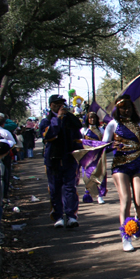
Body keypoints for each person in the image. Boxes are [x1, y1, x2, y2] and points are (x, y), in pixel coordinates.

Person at [102, 94, 140, 252]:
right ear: (118, 109)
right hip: (120, 166)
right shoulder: (112, 125)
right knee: (126, 199)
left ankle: (137, 221)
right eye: (123, 107)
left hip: (138, 164)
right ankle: (126, 236)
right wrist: (111, 145)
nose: (126, 110)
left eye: (129, 107)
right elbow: (102, 146)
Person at [39, 94, 83, 228]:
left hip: (69, 159)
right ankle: (58, 216)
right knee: (55, 190)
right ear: (51, 105)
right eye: (56, 104)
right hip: (53, 161)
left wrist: (80, 153)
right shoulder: (46, 121)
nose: (59, 106)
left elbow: (77, 134)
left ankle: (71, 216)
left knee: (70, 188)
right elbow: (49, 135)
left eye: (61, 103)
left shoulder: (70, 119)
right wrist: (57, 119)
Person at [82, 112, 107, 204]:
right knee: (88, 176)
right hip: (87, 157)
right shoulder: (83, 130)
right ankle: (89, 193)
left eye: (94, 118)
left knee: (99, 175)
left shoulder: (101, 130)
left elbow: (105, 142)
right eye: (90, 118)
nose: (92, 120)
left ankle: (99, 195)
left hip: (99, 157)